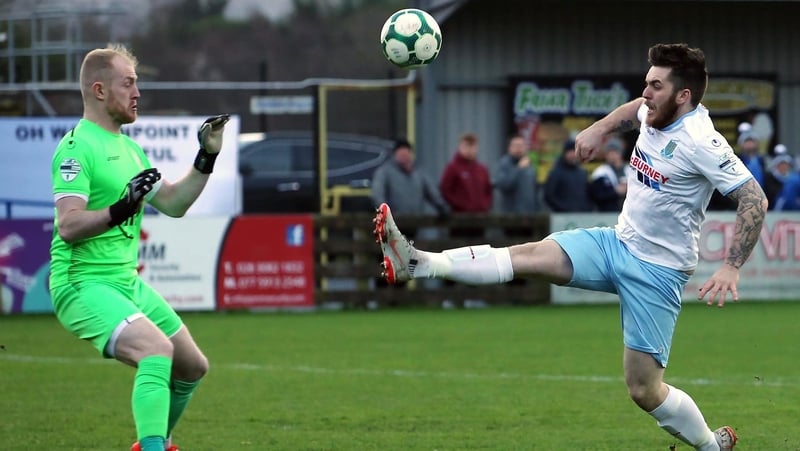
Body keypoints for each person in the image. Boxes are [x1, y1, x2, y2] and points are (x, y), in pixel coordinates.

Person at [373, 43, 767, 450]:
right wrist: (600, 128)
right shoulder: (654, 109)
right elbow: (635, 109)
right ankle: (418, 263)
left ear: (683, 95)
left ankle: (710, 446)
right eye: (647, 82)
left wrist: (731, 266)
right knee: (529, 255)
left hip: (658, 272)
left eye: (656, 86)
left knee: (644, 390)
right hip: (616, 243)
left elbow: (755, 199)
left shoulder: (702, 141)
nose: (646, 93)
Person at [48, 44, 230, 451]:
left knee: (192, 367)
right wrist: (120, 208)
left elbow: (174, 203)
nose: (137, 93)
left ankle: (157, 442)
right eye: (128, 83)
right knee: (156, 350)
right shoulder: (77, 147)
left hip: (124, 282)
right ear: (99, 90)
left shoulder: (130, 149)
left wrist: (207, 155)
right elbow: (69, 225)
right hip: (82, 283)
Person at [371, 138, 450, 217]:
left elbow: (433, 193)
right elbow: (378, 195)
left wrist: (443, 208)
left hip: (415, 219)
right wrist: (386, 215)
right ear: (395, 154)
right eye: (401, 153)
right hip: (394, 220)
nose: (404, 156)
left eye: (406, 153)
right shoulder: (384, 172)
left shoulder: (419, 172)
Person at [439, 132, 493, 213]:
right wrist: (461, 205)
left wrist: (485, 205)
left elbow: (488, 190)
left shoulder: (482, 169)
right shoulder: (452, 168)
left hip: (481, 215)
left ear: (477, 148)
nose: (469, 150)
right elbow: (445, 190)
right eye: (466, 146)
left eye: (472, 146)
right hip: (461, 216)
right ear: (460, 147)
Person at [493, 133, 538, 214]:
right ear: (509, 148)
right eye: (516, 146)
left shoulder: (529, 165)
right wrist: (518, 169)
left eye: (521, 146)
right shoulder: (504, 164)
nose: (519, 149)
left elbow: (535, 191)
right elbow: (503, 185)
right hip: (511, 215)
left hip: (530, 215)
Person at [543, 139, 593, 212]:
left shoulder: (582, 173)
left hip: (583, 215)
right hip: (563, 216)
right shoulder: (556, 172)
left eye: (575, 152)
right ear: (564, 153)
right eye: (570, 152)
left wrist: (588, 208)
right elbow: (549, 196)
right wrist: (563, 209)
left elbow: (589, 194)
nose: (573, 155)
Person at [589, 136, 630, 212]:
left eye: (615, 152)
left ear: (620, 153)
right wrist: (615, 191)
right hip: (608, 213)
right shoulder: (600, 172)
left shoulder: (631, 170)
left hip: (629, 212)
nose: (612, 155)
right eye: (609, 153)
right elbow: (596, 195)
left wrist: (629, 189)